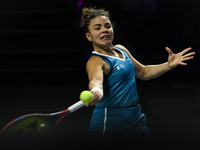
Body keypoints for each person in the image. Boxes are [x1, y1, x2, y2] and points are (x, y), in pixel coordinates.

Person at [79, 6, 195, 137]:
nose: (104, 30)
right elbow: (96, 81)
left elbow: (144, 72)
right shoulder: (96, 60)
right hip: (110, 123)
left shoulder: (121, 50)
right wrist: (96, 93)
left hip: (135, 119)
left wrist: (168, 65)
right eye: (97, 28)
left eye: (107, 26)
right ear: (88, 36)